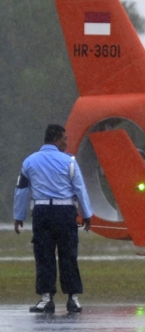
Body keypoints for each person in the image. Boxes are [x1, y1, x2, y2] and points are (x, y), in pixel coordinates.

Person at [13, 124, 93, 313]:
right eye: (64, 138)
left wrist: (19, 215)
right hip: (65, 212)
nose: (67, 142)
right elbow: (79, 188)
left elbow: (22, 188)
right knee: (69, 254)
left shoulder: (30, 161)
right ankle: (73, 298)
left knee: (44, 255)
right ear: (56, 139)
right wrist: (87, 213)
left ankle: (46, 298)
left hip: (41, 213)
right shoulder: (69, 162)